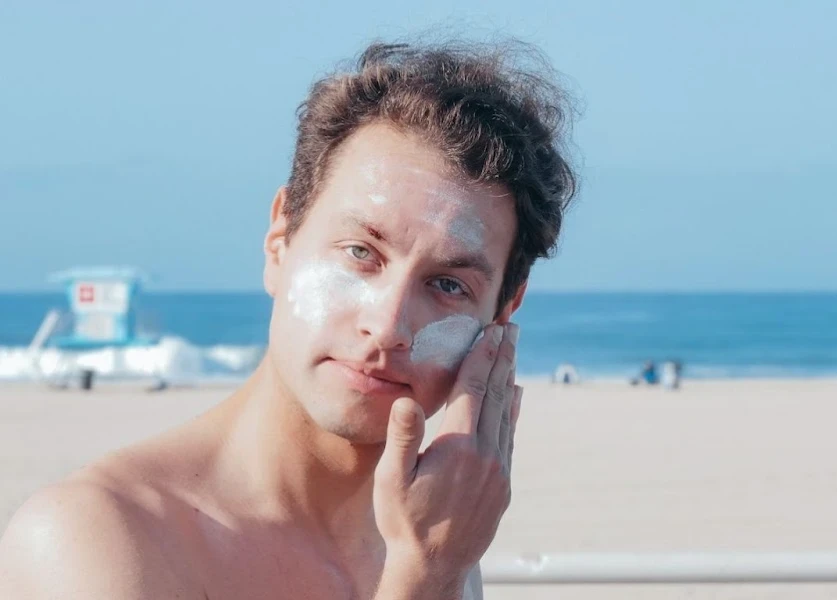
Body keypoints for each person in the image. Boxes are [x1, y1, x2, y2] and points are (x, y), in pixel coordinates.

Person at [0, 40, 576, 599]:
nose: (390, 325)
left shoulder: (427, 533)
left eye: (448, 285)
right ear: (280, 240)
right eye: (360, 253)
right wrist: (424, 580)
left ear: (501, 313)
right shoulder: (97, 539)